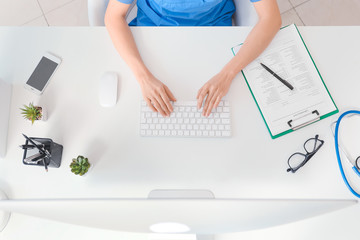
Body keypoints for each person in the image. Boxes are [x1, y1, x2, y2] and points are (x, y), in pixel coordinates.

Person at [105, 0, 281, 117]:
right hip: (152, 39)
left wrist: (227, 75)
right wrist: (143, 78)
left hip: (213, 41)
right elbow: (113, 16)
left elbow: (271, 18)